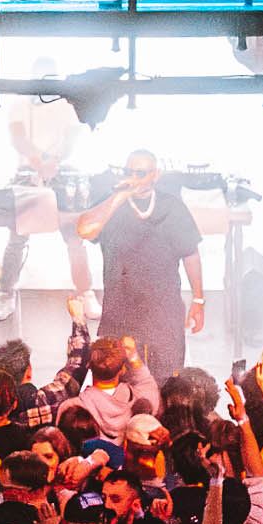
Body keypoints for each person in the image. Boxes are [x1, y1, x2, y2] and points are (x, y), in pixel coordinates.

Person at [80, 149, 202, 377]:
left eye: (141, 173)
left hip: (163, 311)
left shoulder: (172, 206)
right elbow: (85, 230)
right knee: (124, 382)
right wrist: (119, 197)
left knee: (167, 379)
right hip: (122, 311)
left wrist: (198, 299)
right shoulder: (111, 205)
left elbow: (191, 253)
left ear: (156, 174)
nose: (134, 178)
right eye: (129, 172)